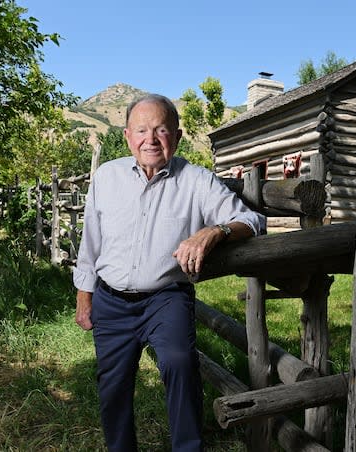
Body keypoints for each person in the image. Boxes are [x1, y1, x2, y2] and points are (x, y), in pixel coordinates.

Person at [73, 94, 265, 451]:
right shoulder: (106, 177)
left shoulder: (196, 181)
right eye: (142, 130)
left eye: (161, 130)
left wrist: (214, 231)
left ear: (176, 137)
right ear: (128, 136)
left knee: (180, 364)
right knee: (112, 385)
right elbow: (90, 246)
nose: (151, 139)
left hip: (166, 298)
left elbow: (253, 220)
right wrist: (85, 298)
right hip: (111, 300)